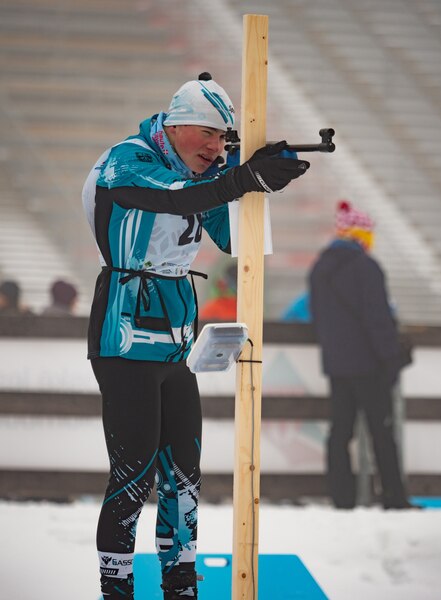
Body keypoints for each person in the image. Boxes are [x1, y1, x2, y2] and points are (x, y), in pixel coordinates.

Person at [82, 72, 310, 600]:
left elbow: (235, 239)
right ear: (174, 125)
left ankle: (181, 584)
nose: (215, 148)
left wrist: (254, 180)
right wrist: (241, 177)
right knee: (133, 475)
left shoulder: (199, 172)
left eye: (223, 139)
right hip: (124, 338)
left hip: (177, 344)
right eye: (208, 134)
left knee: (184, 477)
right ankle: (116, 588)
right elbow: (175, 200)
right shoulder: (127, 159)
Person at [309, 200, 411, 510]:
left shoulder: (319, 269)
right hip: (370, 366)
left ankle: (342, 499)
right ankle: (393, 497)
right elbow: (378, 320)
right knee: (381, 431)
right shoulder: (367, 268)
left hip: (336, 365)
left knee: (340, 432)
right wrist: (391, 358)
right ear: (361, 235)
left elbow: (317, 318)